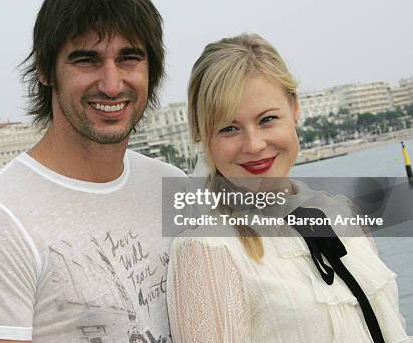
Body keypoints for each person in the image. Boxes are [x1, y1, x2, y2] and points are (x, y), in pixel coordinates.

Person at [0, 0, 185, 343]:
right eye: (87, 59)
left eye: (129, 58)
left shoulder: (172, 185)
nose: (111, 83)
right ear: (44, 68)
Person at [167, 34, 410, 342]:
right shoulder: (208, 249)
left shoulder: (343, 214)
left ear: (294, 108)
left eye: (267, 119)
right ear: (202, 135)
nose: (254, 145)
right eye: (229, 128)